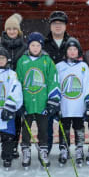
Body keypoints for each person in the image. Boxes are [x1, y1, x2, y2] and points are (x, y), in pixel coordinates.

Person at [16, 32, 61, 168]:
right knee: (26, 130)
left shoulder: (47, 61)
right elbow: (17, 82)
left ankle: (43, 151)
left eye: (38, 45)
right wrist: (19, 103)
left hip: (42, 103)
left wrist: (53, 100)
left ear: (41, 46)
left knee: (43, 130)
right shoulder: (22, 61)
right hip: (27, 102)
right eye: (32, 45)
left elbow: (54, 81)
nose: (35, 48)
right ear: (28, 46)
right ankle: (26, 151)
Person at [56, 37, 89, 166]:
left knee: (79, 128)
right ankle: (64, 149)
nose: (72, 52)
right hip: (65, 105)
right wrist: (55, 101)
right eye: (70, 49)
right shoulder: (59, 66)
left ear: (79, 51)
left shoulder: (83, 67)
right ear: (66, 51)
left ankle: (79, 150)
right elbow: (54, 84)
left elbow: (88, 84)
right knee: (64, 128)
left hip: (79, 105)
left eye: (75, 49)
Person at [0, 13, 27, 160]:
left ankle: (13, 145)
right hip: (2, 86)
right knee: (0, 116)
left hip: (18, 87)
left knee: (16, 117)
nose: (12, 31)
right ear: (5, 30)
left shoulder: (25, 47)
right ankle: (2, 144)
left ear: (18, 30)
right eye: (9, 29)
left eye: (15, 29)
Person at [44, 11, 71, 154]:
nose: (58, 26)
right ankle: (46, 148)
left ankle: (64, 147)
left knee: (64, 119)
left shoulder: (71, 42)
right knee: (47, 120)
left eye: (61, 23)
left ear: (65, 26)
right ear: (50, 26)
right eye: (55, 23)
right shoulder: (43, 43)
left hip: (67, 87)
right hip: (48, 88)